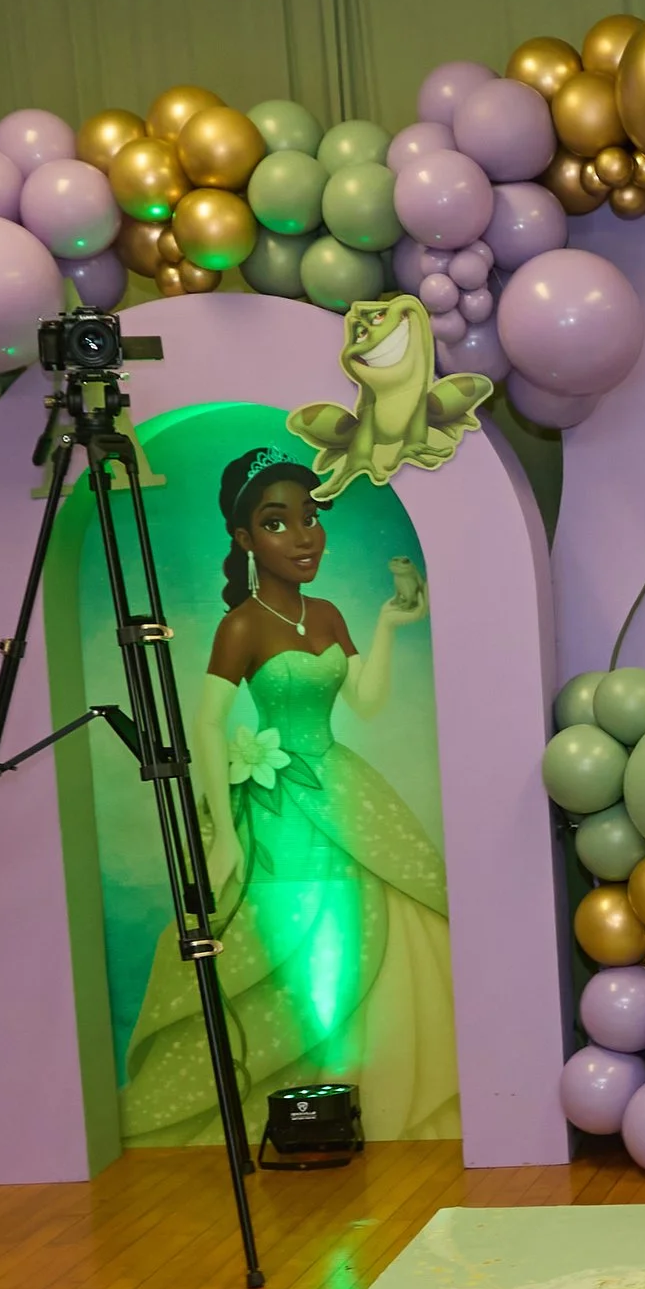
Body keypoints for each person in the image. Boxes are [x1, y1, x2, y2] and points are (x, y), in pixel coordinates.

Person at [118, 449, 457, 1145]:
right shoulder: (241, 624)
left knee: (383, 922)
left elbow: (365, 702)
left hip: (341, 785)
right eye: (277, 523)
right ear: (244, 538)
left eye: (310, 518)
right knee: (282, 942)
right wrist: (224, 833)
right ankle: (291, 1101)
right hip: (275, 800)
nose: (303, 537)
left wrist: (390, 624)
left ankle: (376, 1096)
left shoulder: (327, 613)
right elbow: (207, 724)